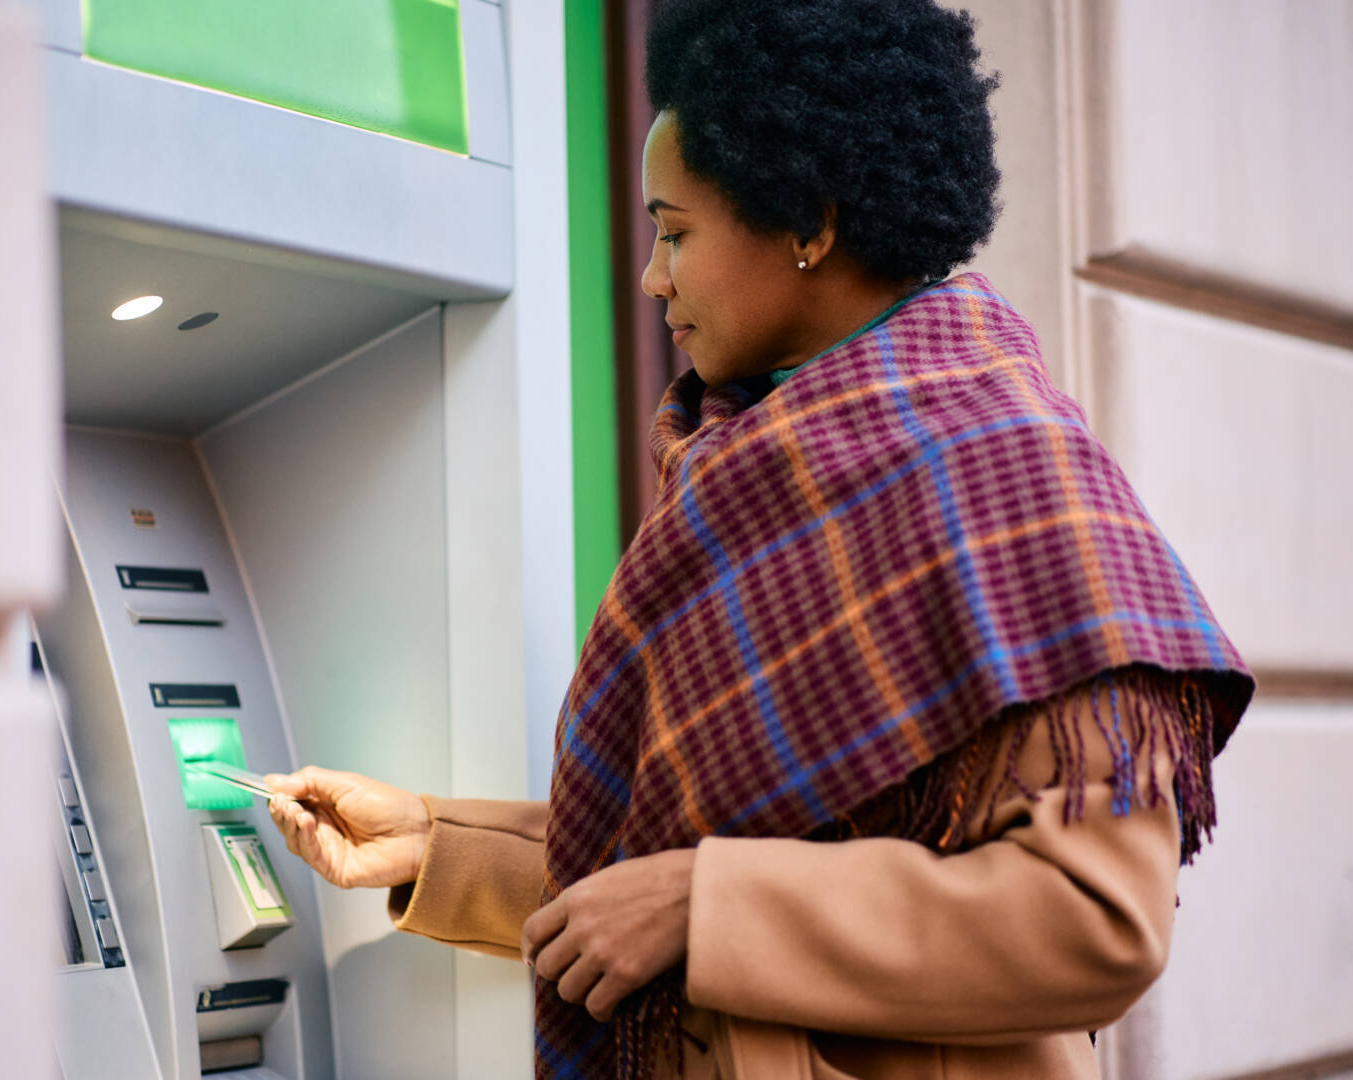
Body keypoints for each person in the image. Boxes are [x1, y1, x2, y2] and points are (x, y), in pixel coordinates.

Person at [264, 1, 1252, 1077]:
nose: (653, 277)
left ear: (808, 223)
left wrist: (706, 906)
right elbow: (703, 841)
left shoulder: (1002, 466)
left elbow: (1093, 918)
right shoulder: (758, 469)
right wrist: (431, 845)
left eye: (675, 230)